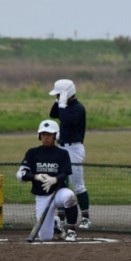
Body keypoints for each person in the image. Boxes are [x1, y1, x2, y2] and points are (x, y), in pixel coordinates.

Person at [16, 120, 80, 242]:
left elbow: (65, 172)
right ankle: (55, 223)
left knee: (69, 196)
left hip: (58, 192)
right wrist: (36, 177)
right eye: (43, 134)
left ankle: (72, 231)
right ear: (39, 135)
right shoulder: (32, 153)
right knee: (45, 238)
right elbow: (20, 175)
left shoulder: (62, 153)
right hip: (42, 196)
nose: (46, 137)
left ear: (56, 136)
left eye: (49, 134)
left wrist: (54, 179)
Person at [49, 79, 92, 229]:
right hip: (61, 147)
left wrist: (62, 105)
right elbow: (53, 114)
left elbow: (67, 121)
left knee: (77, 184)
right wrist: (58, 102)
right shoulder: (63, 106)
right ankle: (62, 218)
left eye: (59, 94)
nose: (57, 97)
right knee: (61, 183)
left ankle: (86, 218)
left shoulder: (77, 108)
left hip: (74, 148)